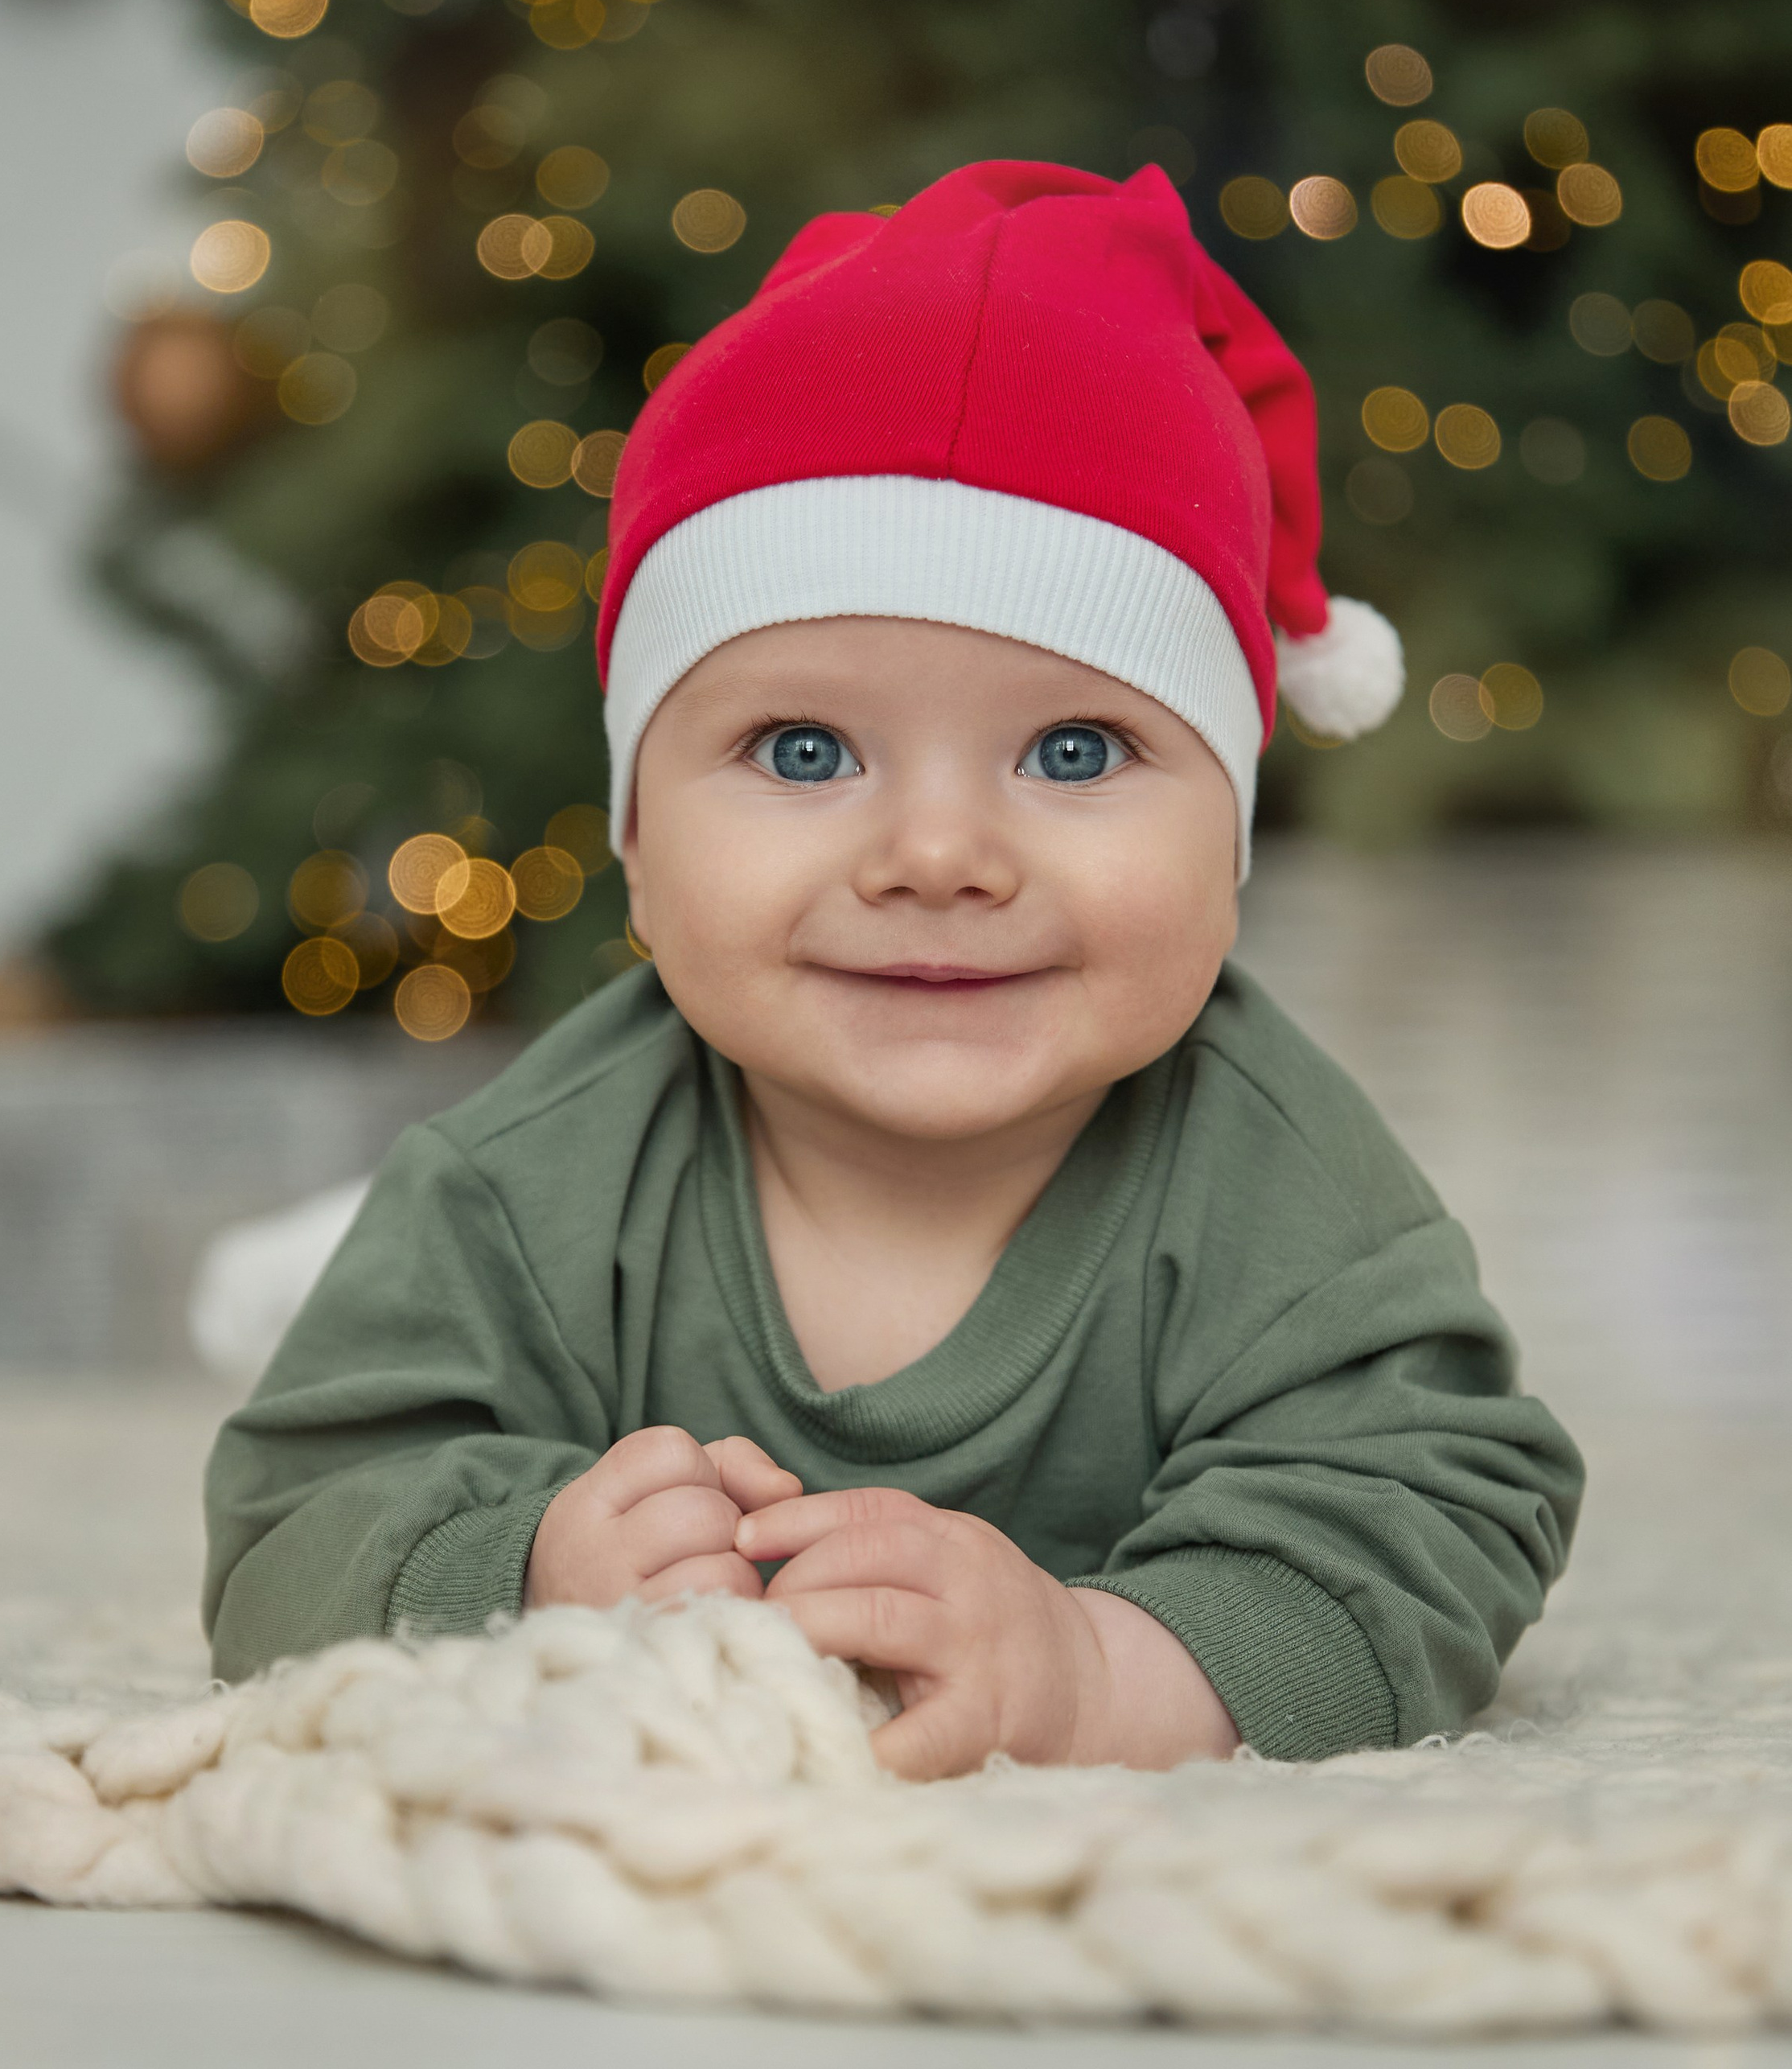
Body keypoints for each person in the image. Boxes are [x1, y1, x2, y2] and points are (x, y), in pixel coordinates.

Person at [203, 161, 1581, 1778]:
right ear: (635, 836)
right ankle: (328, 1293)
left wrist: (1097, 1670)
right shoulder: (525, 1185)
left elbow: (1432, 1515)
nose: (936, 854)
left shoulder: (1282, 1187)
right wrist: (523, 1574)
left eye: (1075, 749)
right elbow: (285, 1524)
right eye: (802, 749)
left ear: (1234, 838)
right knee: (397, 1374)